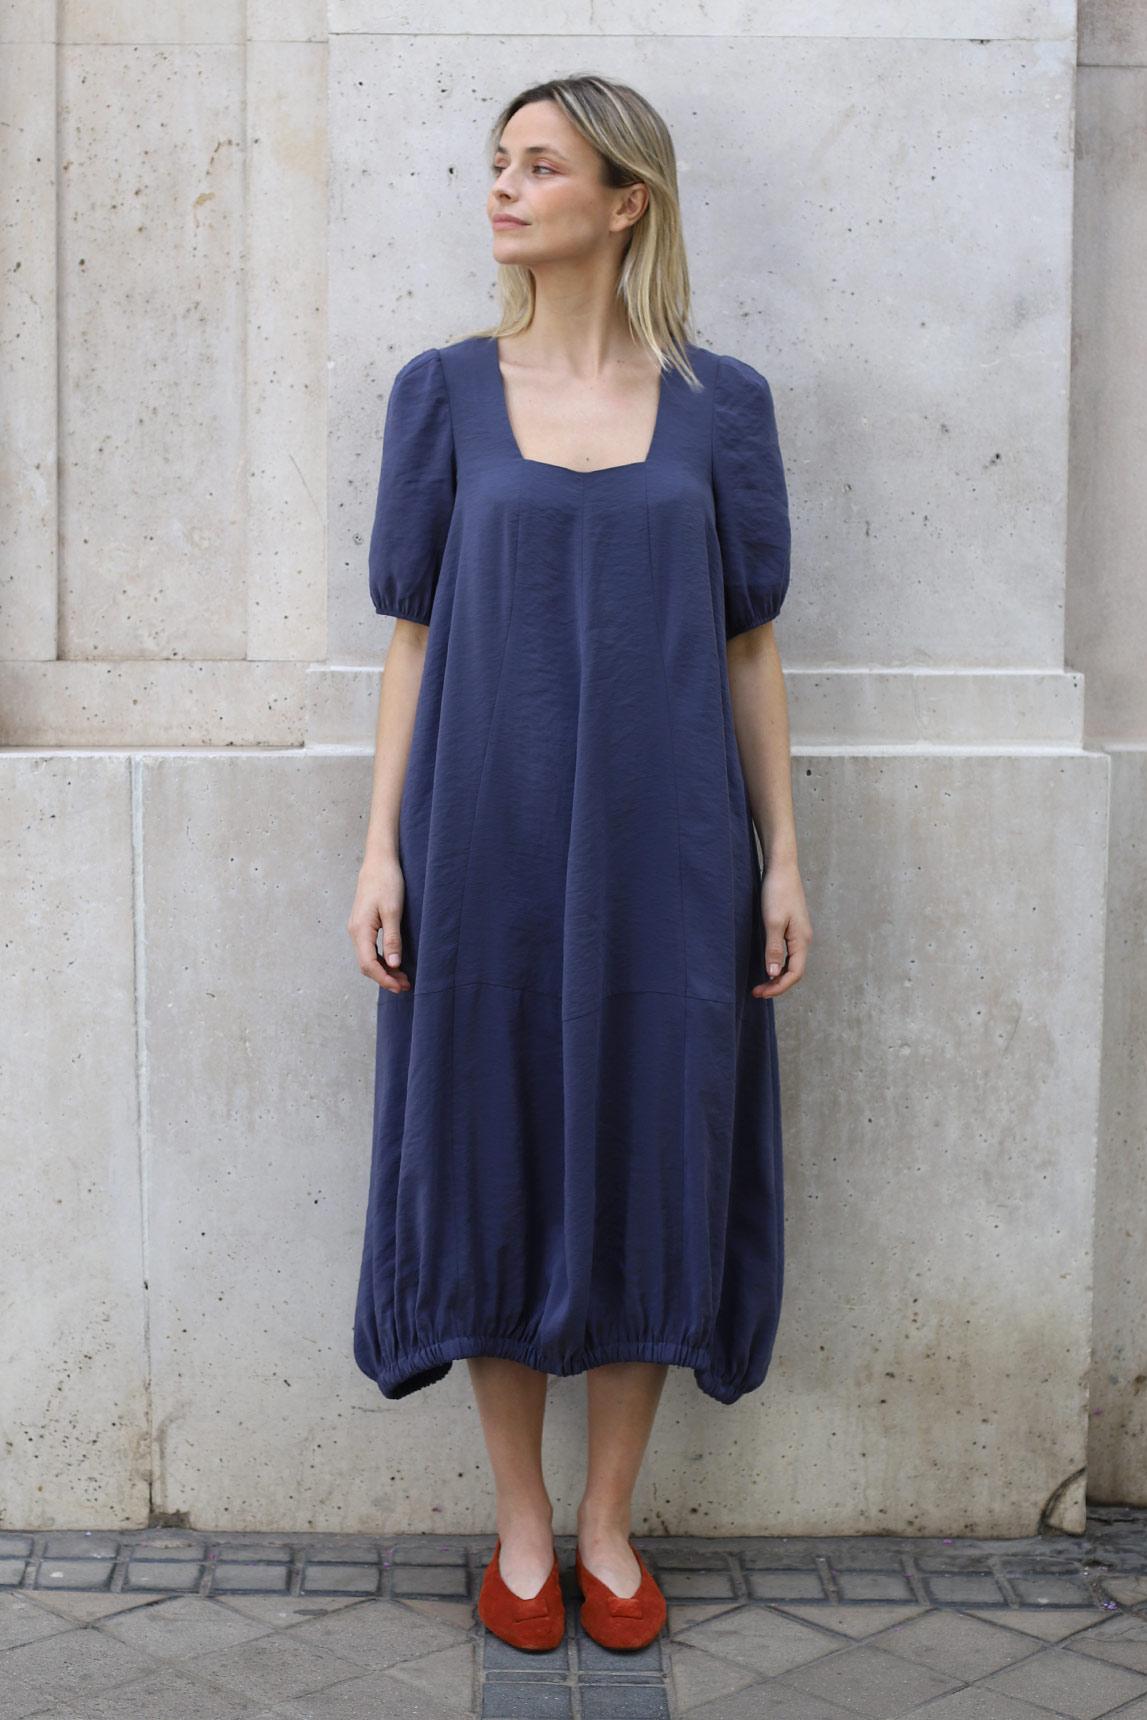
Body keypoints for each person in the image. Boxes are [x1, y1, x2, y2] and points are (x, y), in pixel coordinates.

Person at [347, 73, 812, 1653]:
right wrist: (380, 851)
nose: (502, 186)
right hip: (479, 845)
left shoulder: (723, 406)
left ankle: (610, 1521)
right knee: (488, 1145)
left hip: (672, 854)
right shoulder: (441, 395)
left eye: (539, 165)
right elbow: (415, 639)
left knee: (651, 1149)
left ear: (626, 202)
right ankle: (522, 1526)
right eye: (497, 161)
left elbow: (748, 647)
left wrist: (783, 859)